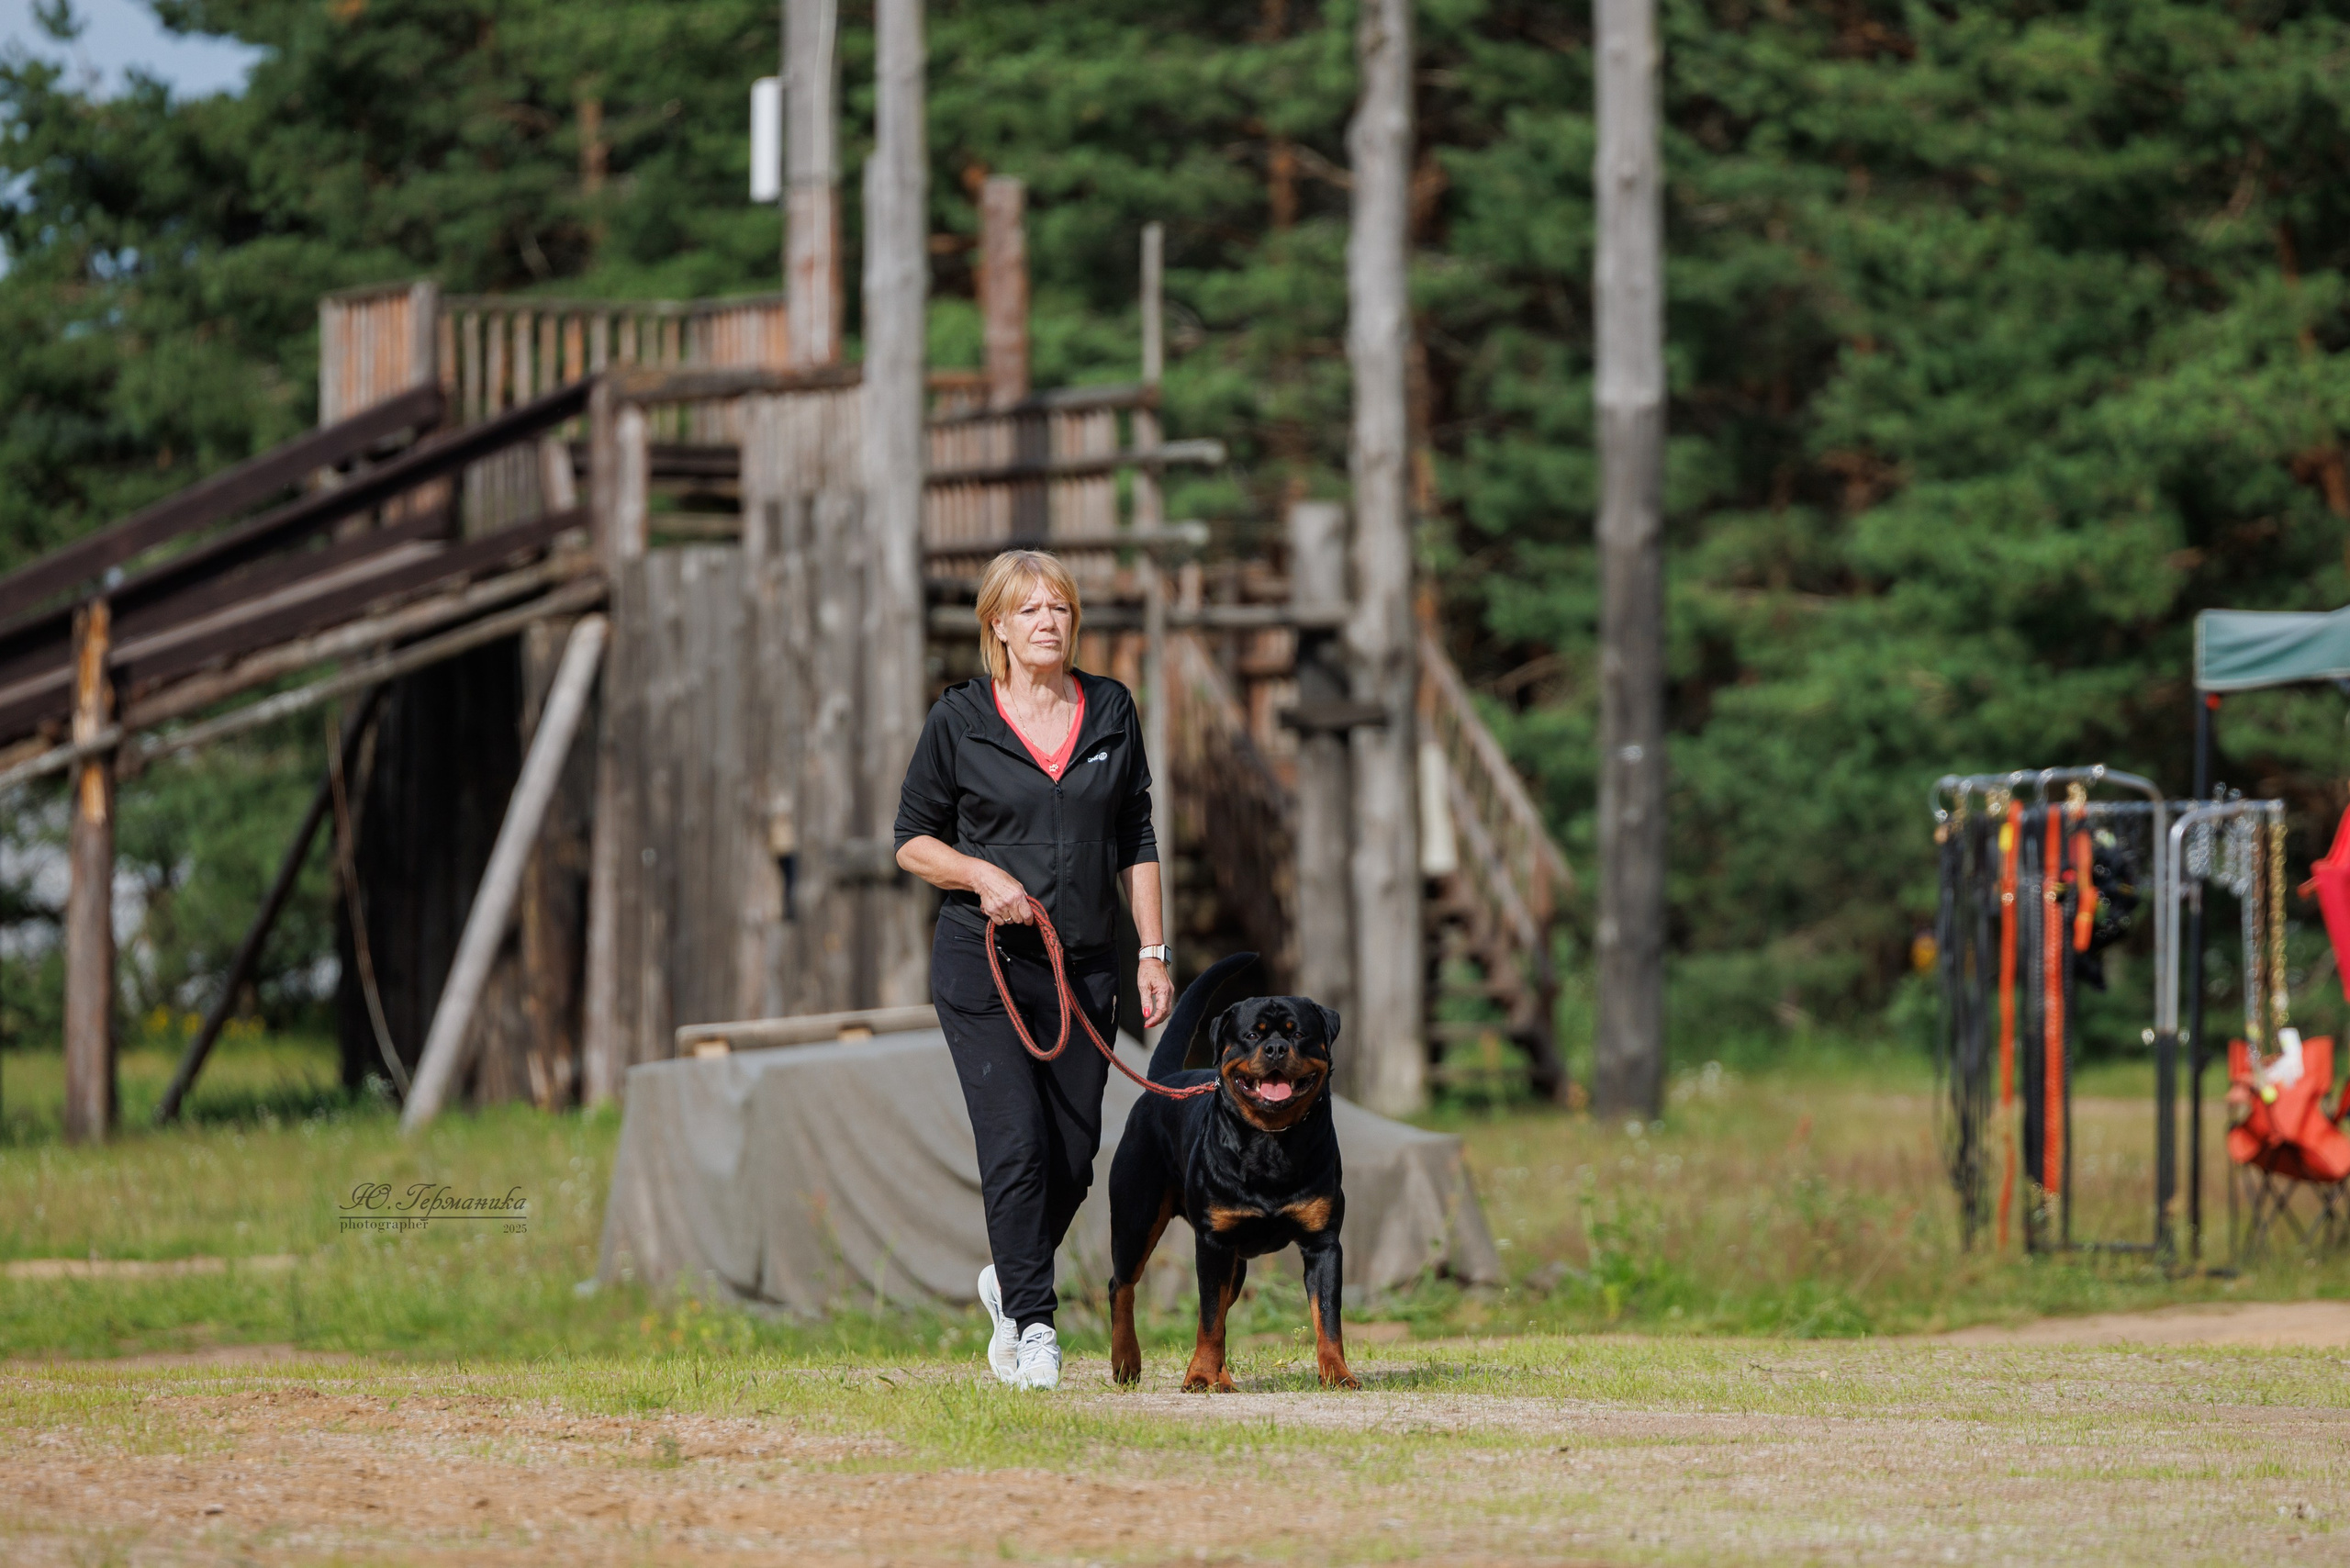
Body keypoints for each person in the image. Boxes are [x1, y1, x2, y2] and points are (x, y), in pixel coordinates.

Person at [894, 549, 1174, 1391]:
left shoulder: (1111, 709)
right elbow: (912, 842)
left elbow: (1135, 836)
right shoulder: (960, 719)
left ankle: (1007, 1276)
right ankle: (1035, 1327)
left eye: (1059, 608)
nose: (1048, 622)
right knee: (1015, 1142)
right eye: (1029, 610)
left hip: (1084, 968)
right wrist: (980, 875)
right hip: (983, 968)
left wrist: (1153, 950)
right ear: (999, 626)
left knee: (1074, 1155)